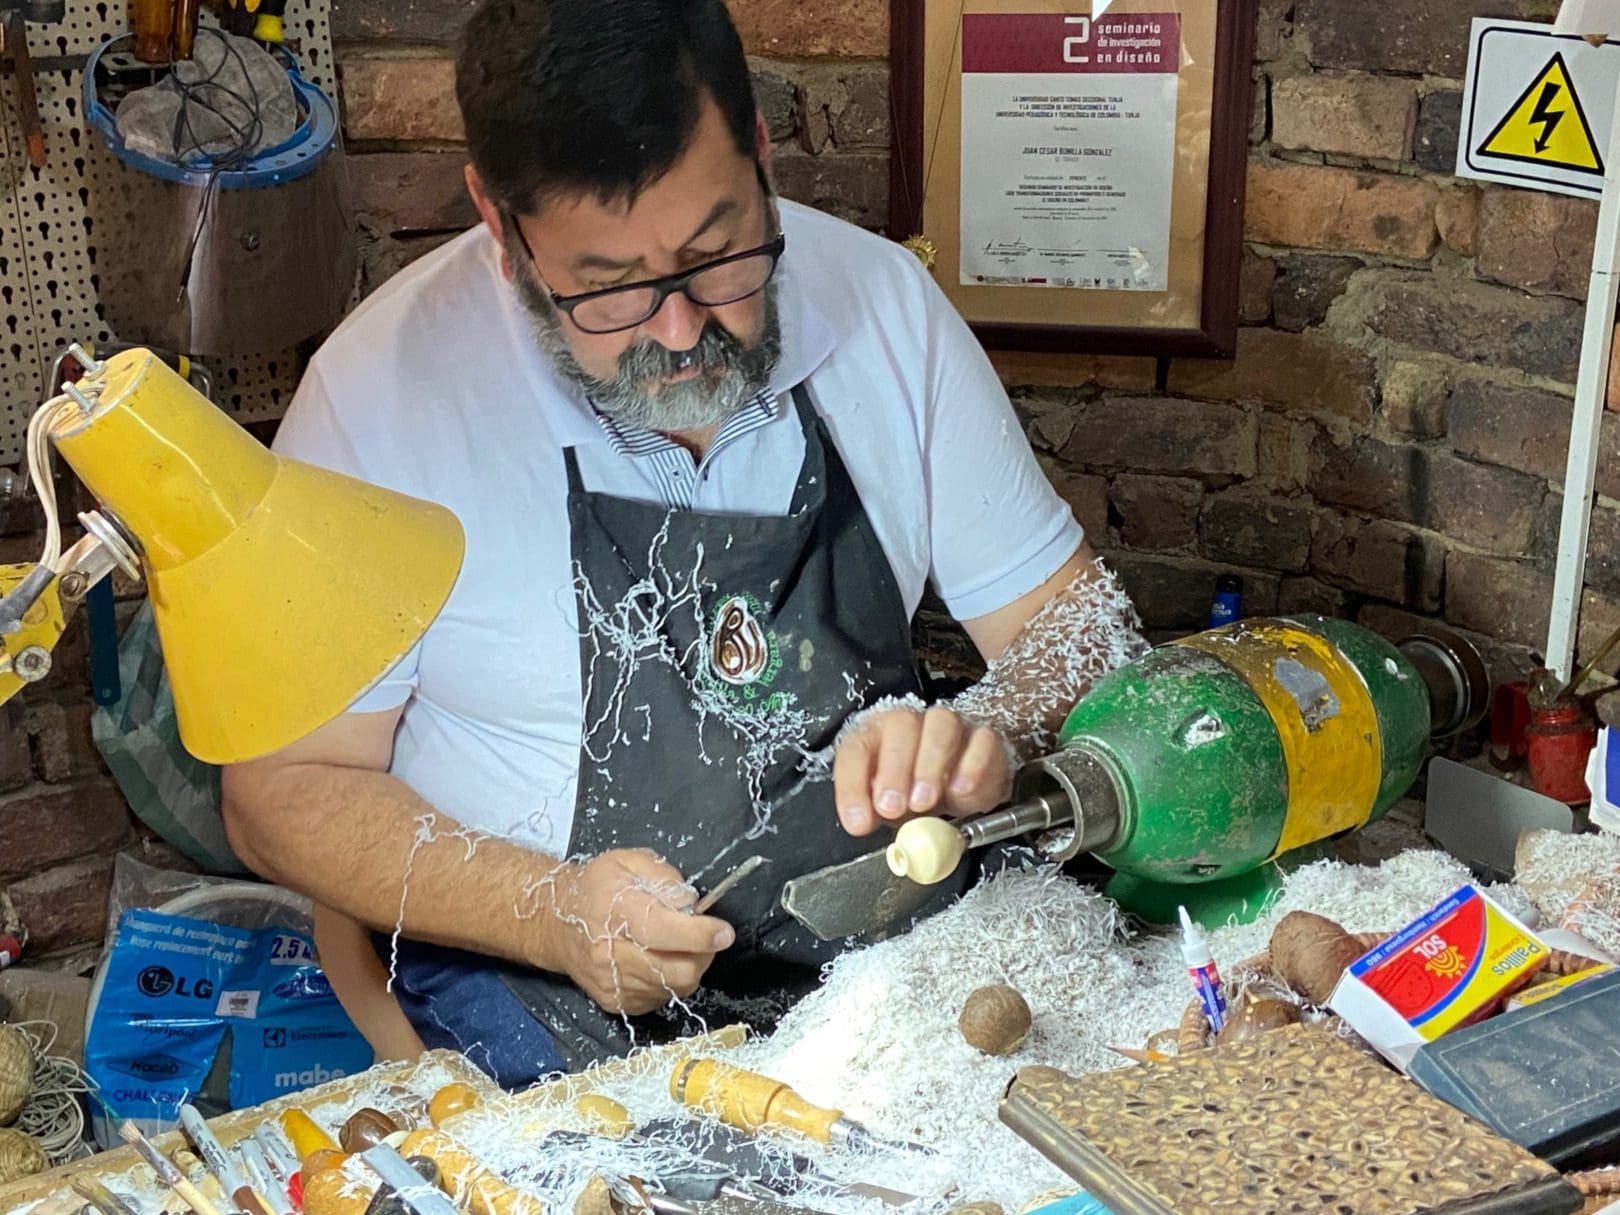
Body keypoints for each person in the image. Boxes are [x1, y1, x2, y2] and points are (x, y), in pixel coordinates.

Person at [220, 0, 1145, 1085]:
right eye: (606, 289)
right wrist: (553, 912)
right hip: (540, 981)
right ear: (497, 222)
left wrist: (986, 724)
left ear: (758, 152)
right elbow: (281, 793)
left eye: (720, 257)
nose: (679, 329)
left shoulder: (885, 308)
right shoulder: (381, 401)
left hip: (883, 955)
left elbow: (1082, 622)